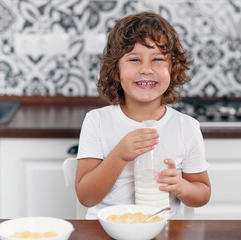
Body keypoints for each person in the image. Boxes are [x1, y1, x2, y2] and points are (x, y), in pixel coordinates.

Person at [75, 11, 211, 219]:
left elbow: (202, 194)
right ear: (116, 71)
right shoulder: (97, 122)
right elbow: (86, 197)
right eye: (135, 59)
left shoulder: (186, 127)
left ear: (173, 70)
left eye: (157, 59)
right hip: (106, 230)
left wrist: (181, 186)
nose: (146, 69)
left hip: (161, 229)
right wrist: (119, 155)